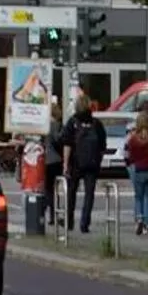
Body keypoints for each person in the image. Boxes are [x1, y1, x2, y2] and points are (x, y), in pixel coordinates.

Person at [60, 95, 107, 234]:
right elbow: (103, 146)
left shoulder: (72, 122)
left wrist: (65, 164)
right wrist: (97, 160)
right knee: (89, 194)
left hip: (75, 163)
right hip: (92, 165)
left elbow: (67, 144)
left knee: (71, 193)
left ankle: (69, 222)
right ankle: (85, 223)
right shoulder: (96, 123)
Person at [125, 110, 148, 235]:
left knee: (138, 197)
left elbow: (129, 157)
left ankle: (139, 218)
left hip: (139, 170)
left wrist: (130, 164)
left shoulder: (132, 139)